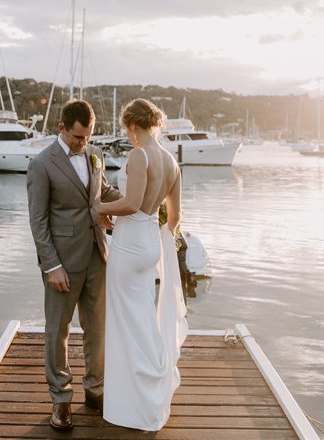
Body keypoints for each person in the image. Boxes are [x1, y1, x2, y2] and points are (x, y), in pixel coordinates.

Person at [27, 99, 121, 431]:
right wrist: (51, 265)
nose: (83, 144)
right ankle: (61, 399)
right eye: (78, 138)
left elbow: (105, 192)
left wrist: (140, 201)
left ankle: (96, 390)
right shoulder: (41, 165)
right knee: (58, 330)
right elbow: (38, 221)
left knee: (98, 328)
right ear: (62, 128)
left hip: (98, 254)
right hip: (63, 262)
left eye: (88, 137)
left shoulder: (96, 155)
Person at [97, 98, 188, 431]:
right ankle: (151, 395)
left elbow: (132, 203)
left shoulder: (140, 155)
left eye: (126, 129)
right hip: (151, 243)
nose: (128, 135)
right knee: (144, 319)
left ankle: (136, 404)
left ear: (132, 125)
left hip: (129, 245)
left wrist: (97, 207)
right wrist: (162, 237)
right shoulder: (171, 162)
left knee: (126, 324)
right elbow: (175, 217)